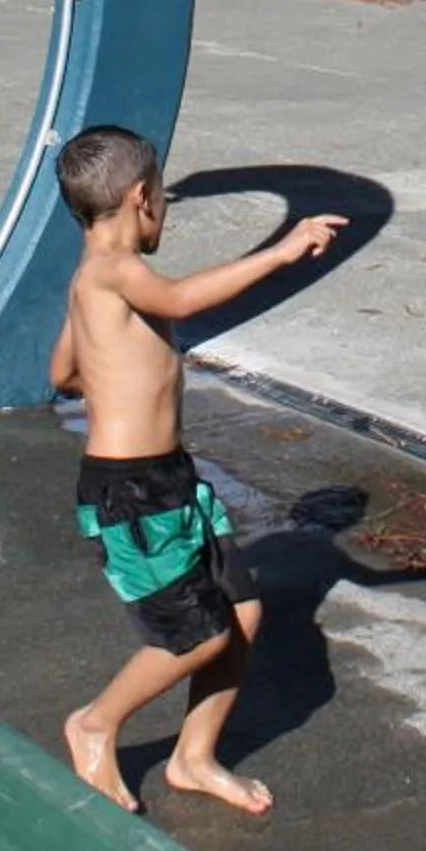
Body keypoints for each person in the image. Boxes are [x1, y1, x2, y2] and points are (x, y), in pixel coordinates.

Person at [49, 124, 345, 816]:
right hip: (130, 492)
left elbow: (62, 371)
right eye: (163, 199)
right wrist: (282, 251)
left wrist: (115, 380)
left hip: (168, 478)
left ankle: (194, 757)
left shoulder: (92, 282)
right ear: (141, 198)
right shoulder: (113, 269)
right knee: (196, 635)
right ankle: (94, 723)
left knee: (241, 612)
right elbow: (181, 300)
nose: (165, 213)